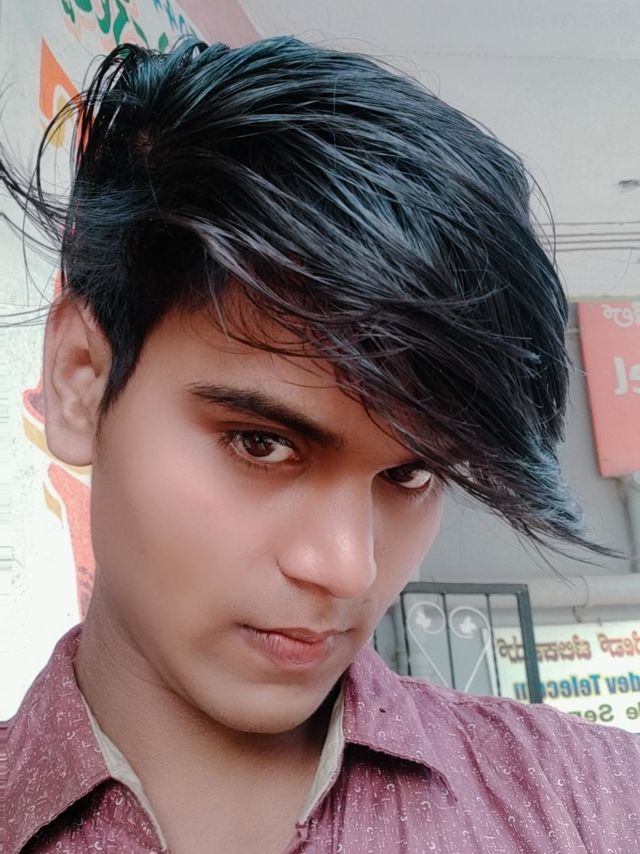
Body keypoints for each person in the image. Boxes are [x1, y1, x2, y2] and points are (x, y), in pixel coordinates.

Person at [4, 36, 639, 854]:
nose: (348, 568)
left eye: (411, 473)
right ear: (80, 381)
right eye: (261, 444)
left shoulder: (593, 804)